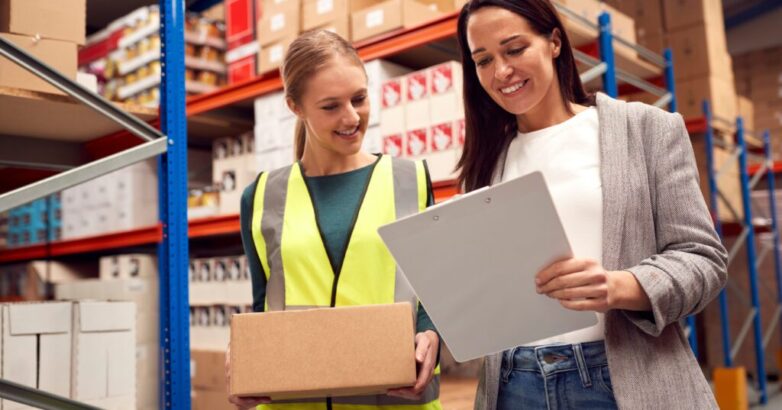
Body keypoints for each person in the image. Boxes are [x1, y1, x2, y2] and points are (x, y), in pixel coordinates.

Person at [455, 0, 728, 408]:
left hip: (618, 380)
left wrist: (621, 287)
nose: (501, 72)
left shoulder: (645, 129)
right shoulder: (487, 160)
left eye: (514, 50)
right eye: (483, 60)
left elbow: (704, 258)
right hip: (513, 383)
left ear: (554, 43)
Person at [227, 29, 443, 410]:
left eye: (359, 99)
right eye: (330, 106)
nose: (351, 117)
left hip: (394, 401)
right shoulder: (261, 197)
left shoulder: (409, 181)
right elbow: (264, 307)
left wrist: (432, 336)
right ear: (295, 106)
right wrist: (245, 362)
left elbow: (432, 295)